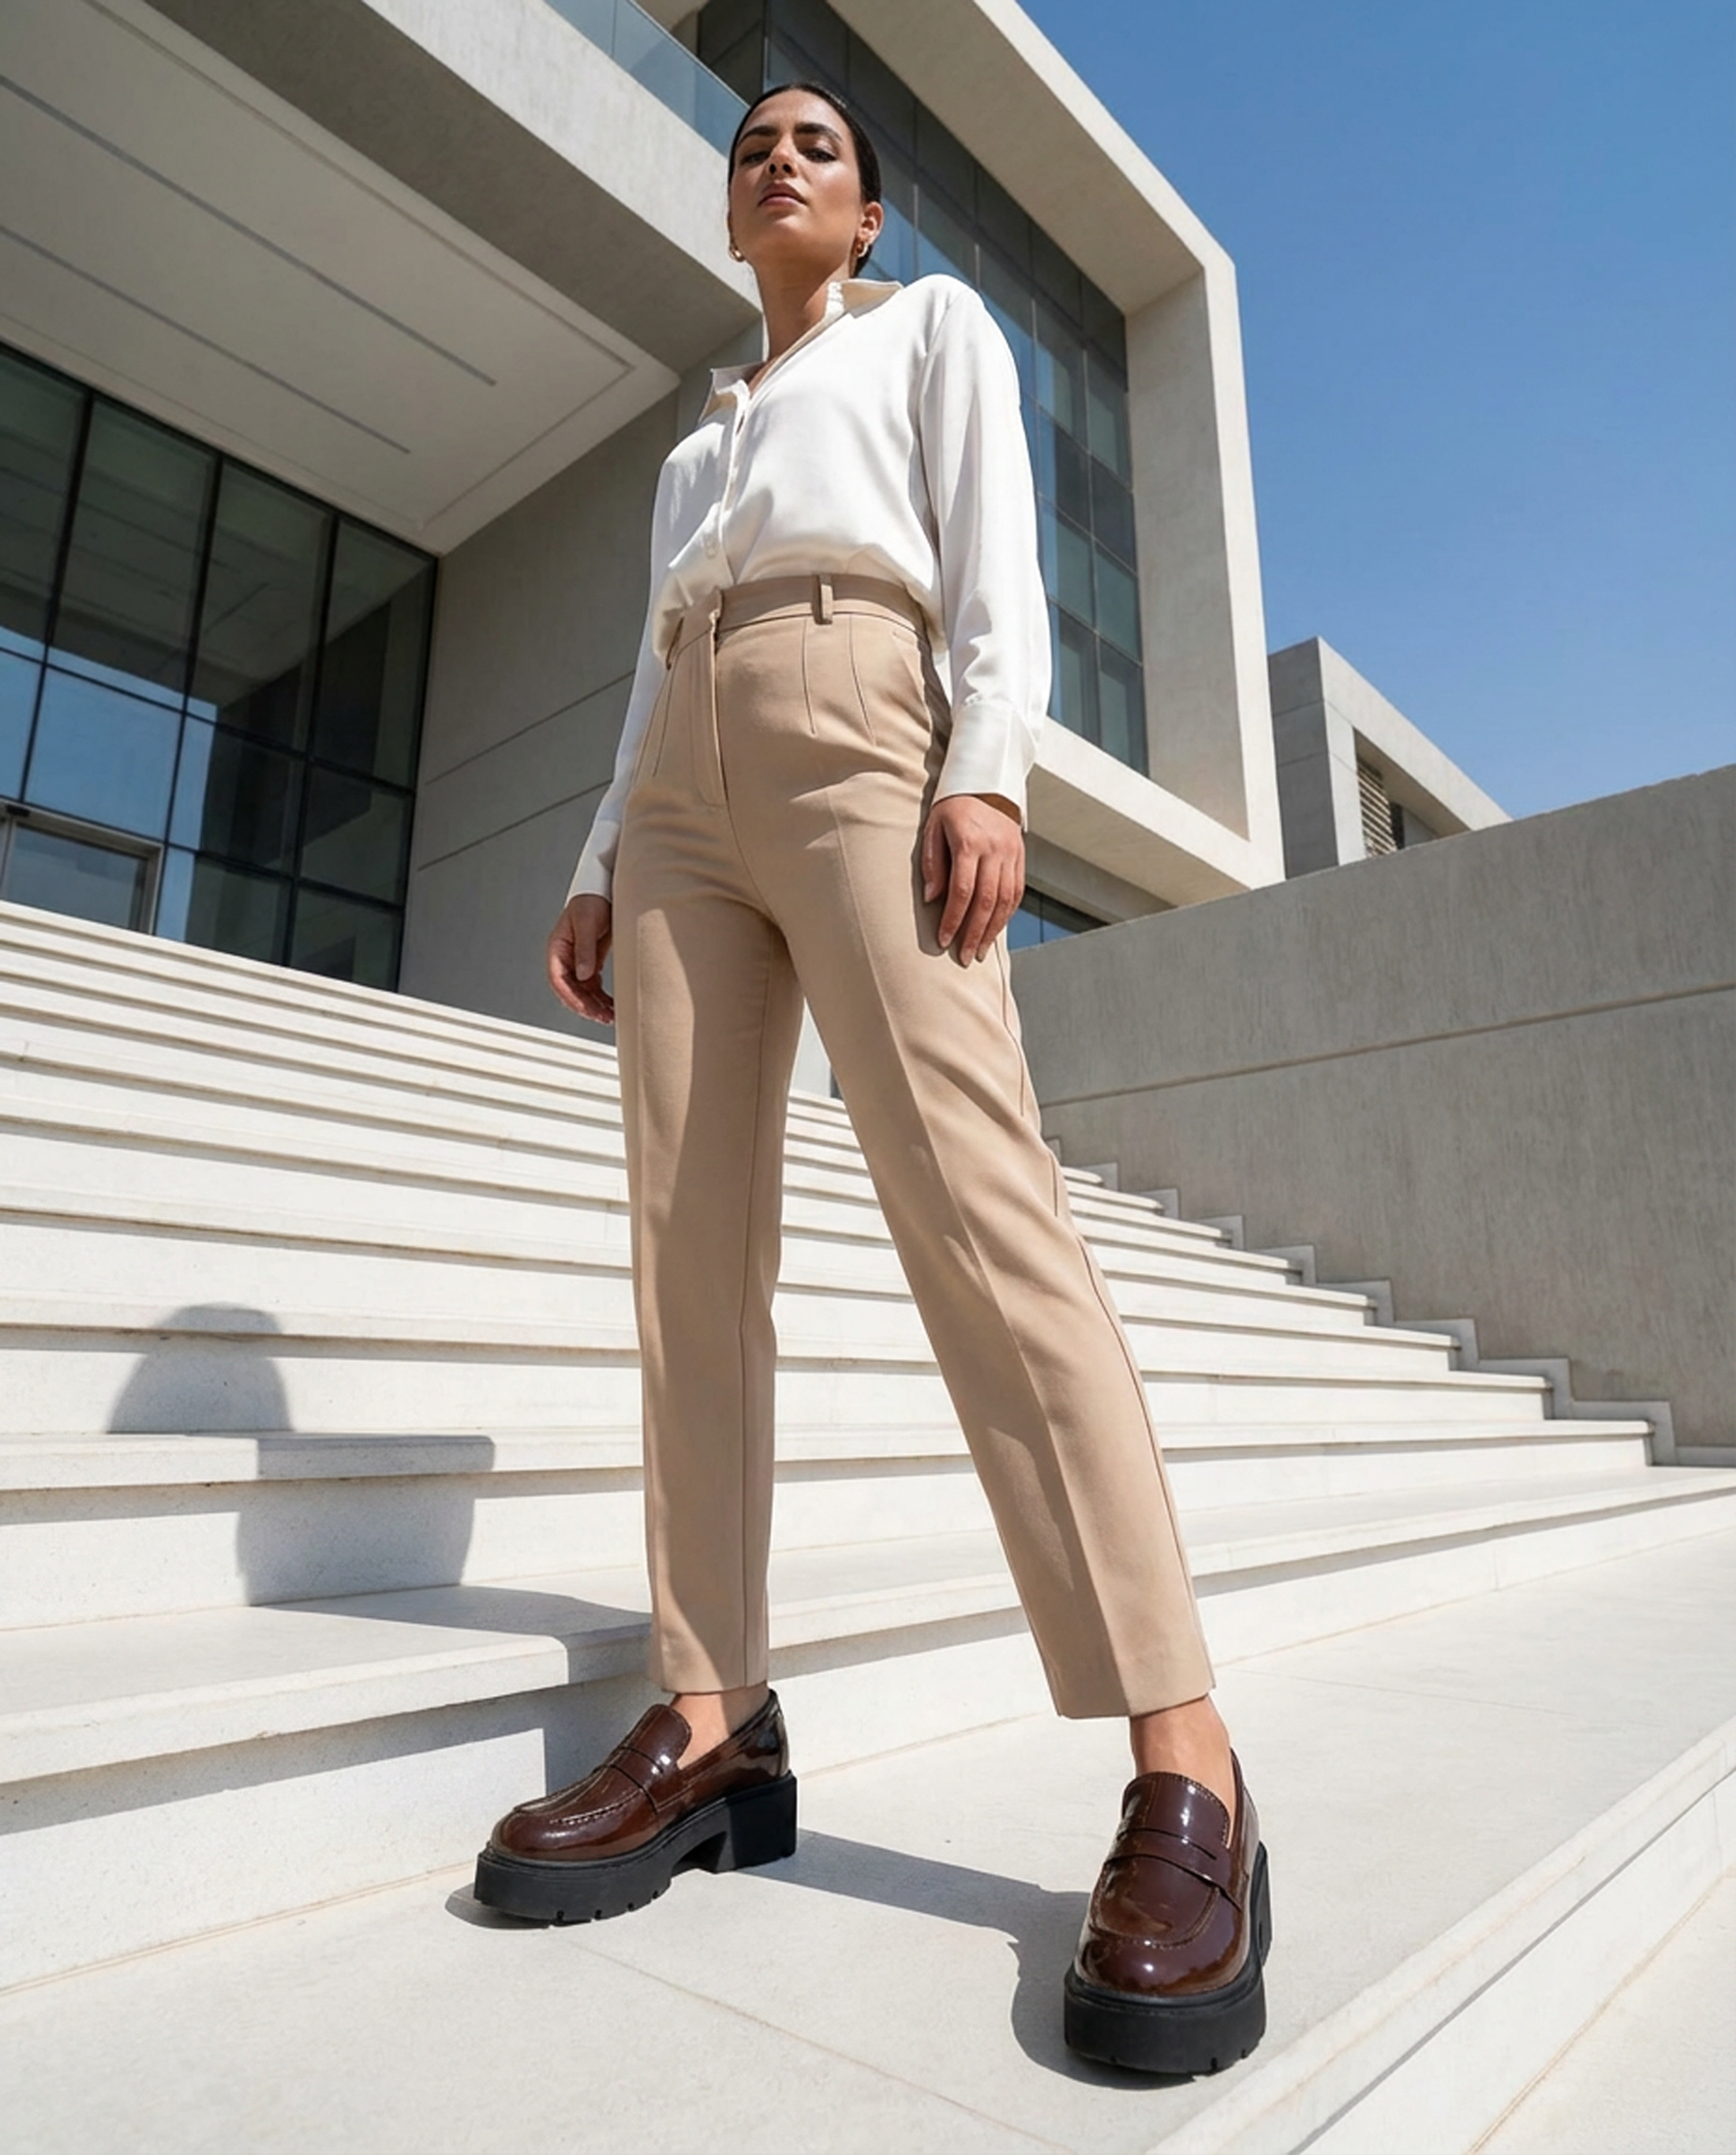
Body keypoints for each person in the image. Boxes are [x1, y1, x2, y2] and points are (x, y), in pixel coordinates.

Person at [472, 80, 1271, 2076]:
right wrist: (592, 863)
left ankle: (1190, 1759)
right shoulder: (693, 439)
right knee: (684, 1254)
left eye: (815, 142)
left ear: (871, 205)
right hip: (678, 804)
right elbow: (658, 670)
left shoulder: (928, 335)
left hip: (861, 720)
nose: (777, 158)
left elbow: (987, 551)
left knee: (976, 1214)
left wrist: (983, 756)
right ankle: (710, 1716)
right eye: (751, 144)